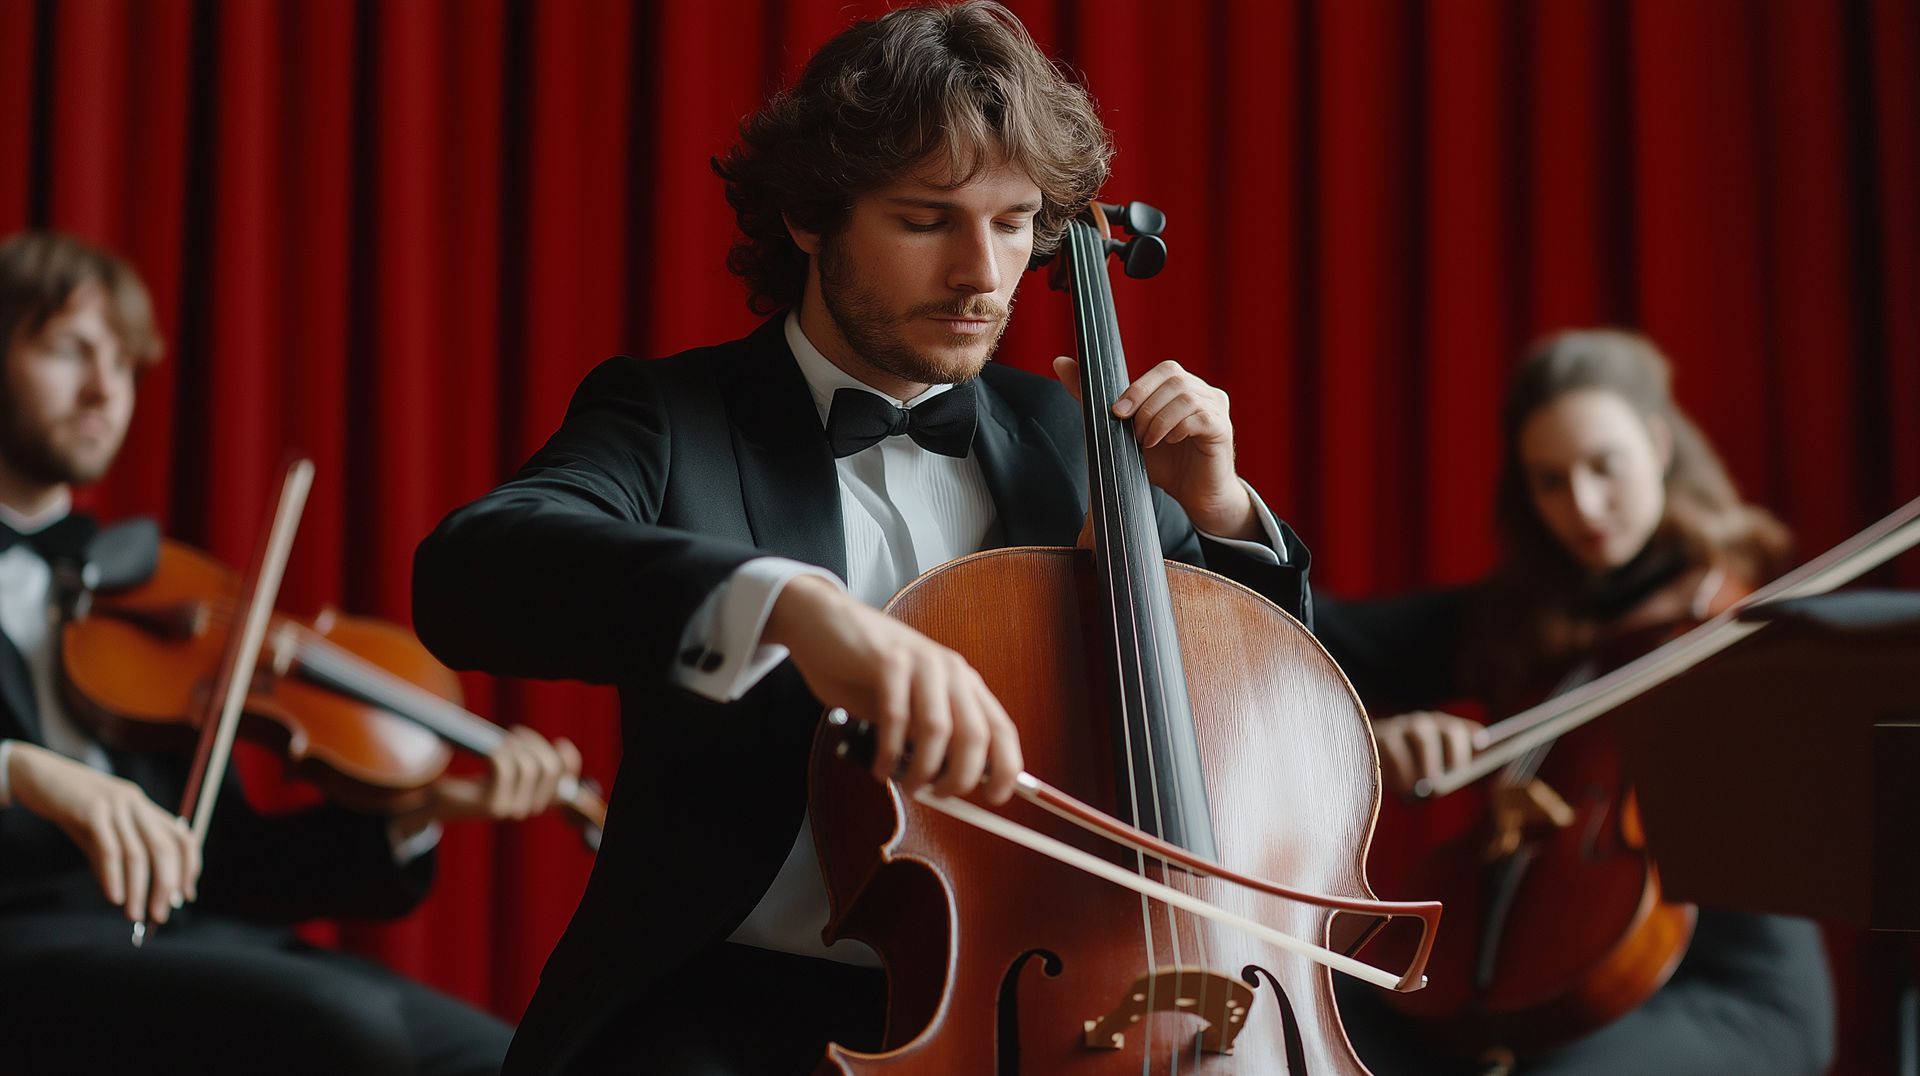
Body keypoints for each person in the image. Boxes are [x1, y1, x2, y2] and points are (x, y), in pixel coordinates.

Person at [410, 3, 1315, 1072]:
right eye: (928, 221)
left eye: (1016, 221)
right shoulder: (676, 419)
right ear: (809, 217)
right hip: (728, 1015)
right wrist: (788, 602)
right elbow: (474, 568)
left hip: (1035, 1021)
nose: (983, 274)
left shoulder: (1078, 447)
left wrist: (1217, 512)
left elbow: (1256, 719)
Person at [0, 228, 586, 1075]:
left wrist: (421, 810)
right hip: (25, 939)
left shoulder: (155, 583)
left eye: (124, 363)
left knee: (513, 1060)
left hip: (195, 942)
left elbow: (233, 863)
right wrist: (24, 768)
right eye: (67, 350)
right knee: (342, 1028)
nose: (104, 389)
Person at [1315, 328, 1835, 1075]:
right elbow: (1334, 639)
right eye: (1550, 481)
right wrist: (1374, 743)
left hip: (1729, 991)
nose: (1584, 504)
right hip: (1531, 972)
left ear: (1657, 446)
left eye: (1604, 467)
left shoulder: (1732, 631)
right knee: (1324, 1010)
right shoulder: (1525, 618)